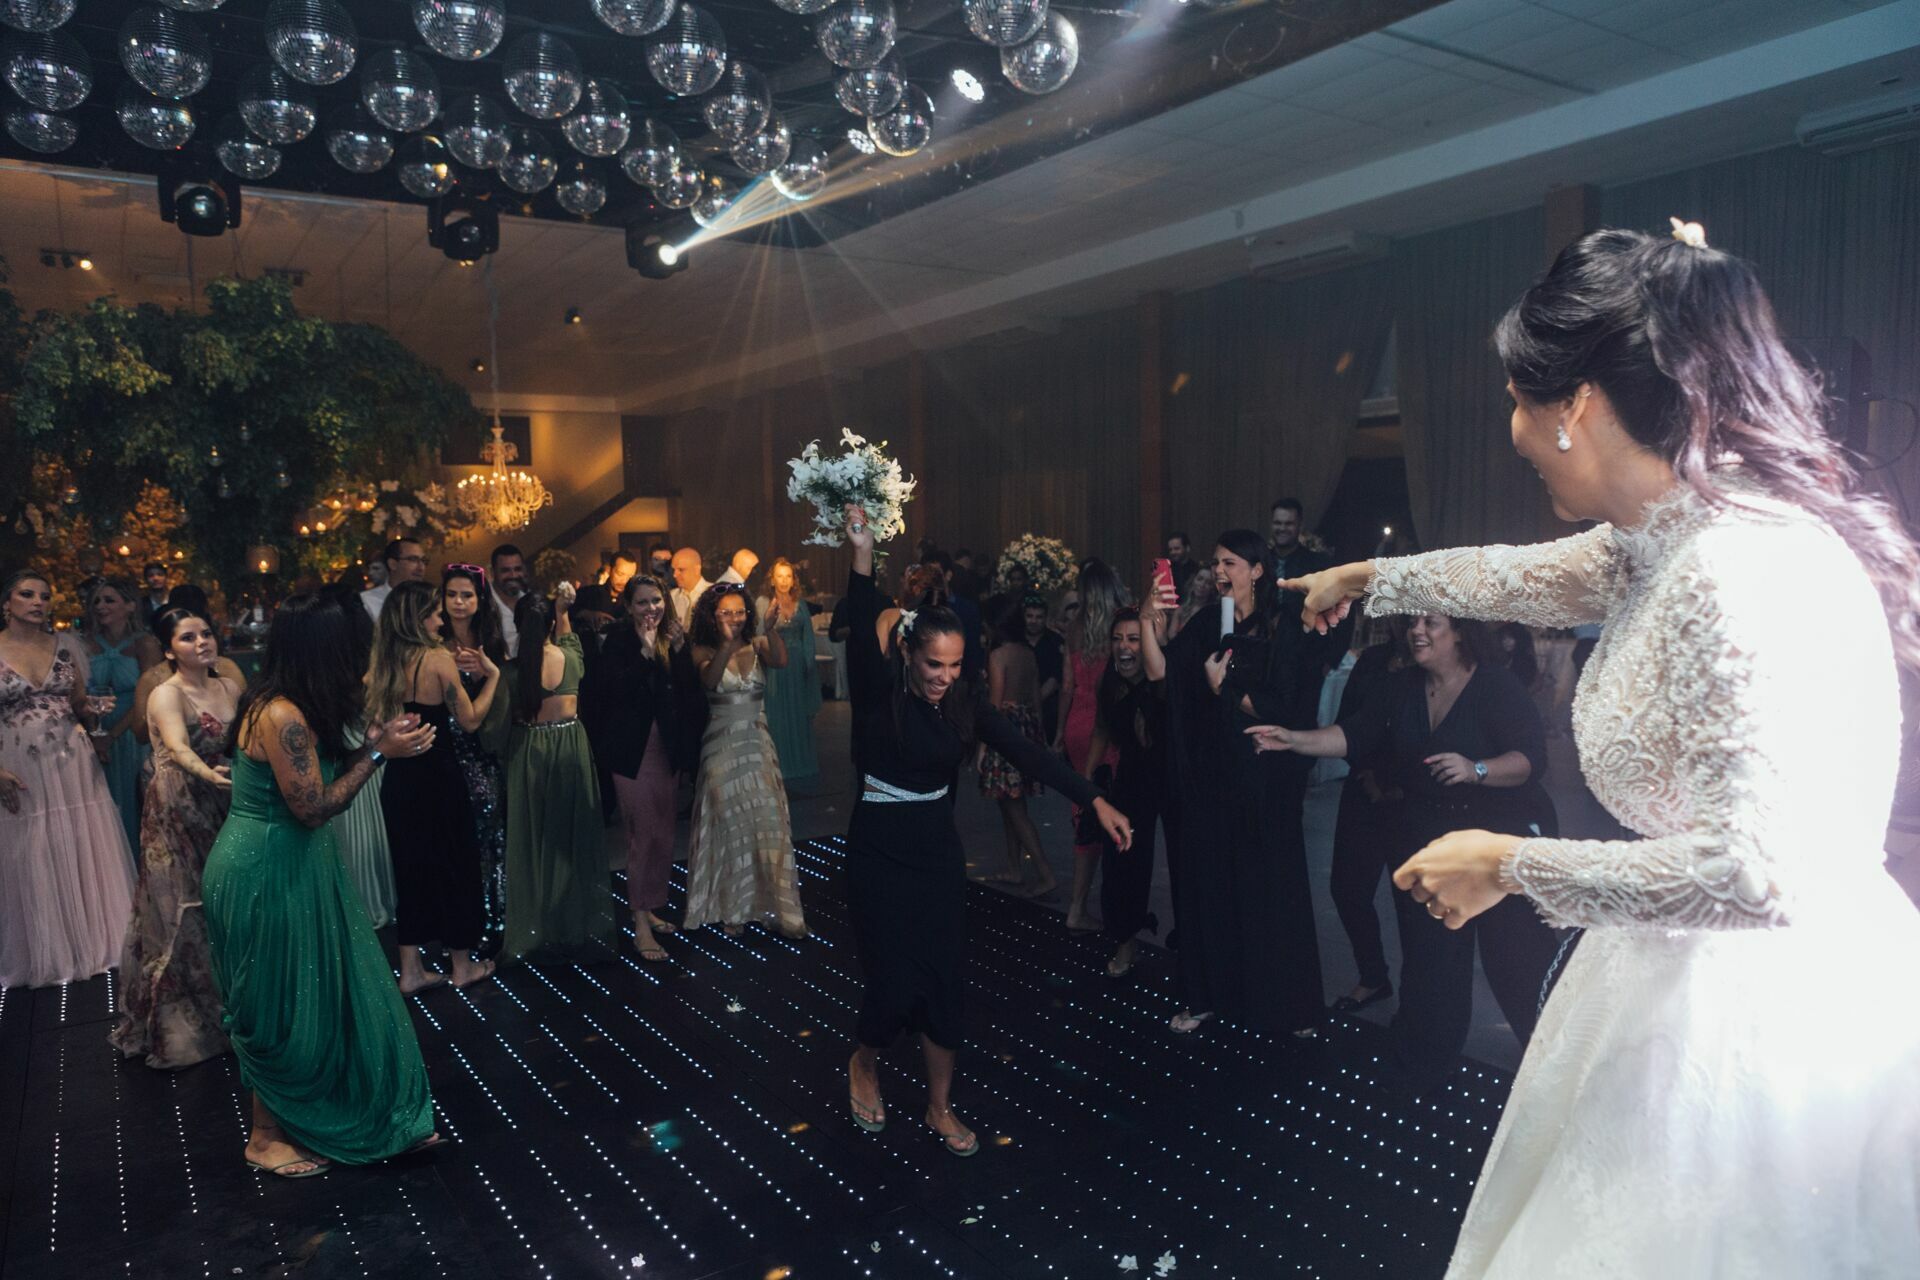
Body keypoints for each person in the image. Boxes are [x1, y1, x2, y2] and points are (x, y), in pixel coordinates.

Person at [1283, 224, 1920, 1276]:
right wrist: (1371, 579)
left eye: (1516, 401)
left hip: (1759, 1027)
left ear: (1574, 405)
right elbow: (1516, 576)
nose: (1514, 432)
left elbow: (1761, 874)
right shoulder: (1666, 538)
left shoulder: (1735, 569)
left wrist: (1510, 864)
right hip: (1674, 975)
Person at [839, 506, 1131, 1156]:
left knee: (943, 981)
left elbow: (1031, 755)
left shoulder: (965, 701)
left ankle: (940, 1107)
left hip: (936, 854)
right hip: (879, 852)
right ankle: (865, 1059)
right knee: (893, 979)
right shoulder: (878, 693)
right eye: (933, 665)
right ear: (908, 653)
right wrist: (860, 554)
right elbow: (860, 616)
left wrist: (1094, 799)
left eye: (954, 665)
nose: (943, 677)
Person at [1248, 613, 1564, 1091]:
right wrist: (1294, 740)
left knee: (1516, 960)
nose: (1417, 631)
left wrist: (1476, 768)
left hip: (1498, 842)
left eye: (1430, 622)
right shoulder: (1401, 687)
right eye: (1412, 622)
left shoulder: (1495, 685)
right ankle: (1423, 1067)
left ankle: (1554, 1074)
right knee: (1431, 961)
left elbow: (1529, 760)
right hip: (1432, 839)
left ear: (1459, 631)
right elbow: (1353, 734)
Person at [206, 592, 441, 1176]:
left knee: (324, 997)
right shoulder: (281, 715)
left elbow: (317, 780)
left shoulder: (294, 704)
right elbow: (312, 808)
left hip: (298, 863)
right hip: (266, 870)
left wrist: (374, 742)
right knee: (279, 1005)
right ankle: (264, 1139)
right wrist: (378, 756)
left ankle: (358, 1116)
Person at [1158, 530, 1325, 1039]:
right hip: (1215, 775)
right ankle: (1211, 996)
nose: (1219, 571)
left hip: (1265, 778)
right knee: (1213, 885)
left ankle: (1289, 1007)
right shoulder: (1210, 621)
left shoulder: (1283, 626)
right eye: (1215, 562)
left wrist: (1225, 689)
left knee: (1270, 888)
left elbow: (1286, 706)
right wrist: (1148, 617)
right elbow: (1164, 671)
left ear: (1256, 570)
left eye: (1229, 562)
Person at [111, 605, 239, 1070]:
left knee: (226, 906)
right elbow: (179, 747)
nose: (201, 642)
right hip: (179, 807)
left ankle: (232, 1010)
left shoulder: (229, 686)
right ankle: (183, 1025)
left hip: (225, 803)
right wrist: (210, 773)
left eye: (206, 633)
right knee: (183, 909)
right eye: (188, 637)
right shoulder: (167, 693)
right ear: (169, 650)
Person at [0, 569, 137, 989]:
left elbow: (77, 701)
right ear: (6, 603)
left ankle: (96, 942)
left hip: (73, 758)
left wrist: (94, 711)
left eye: (45, 596)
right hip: (19, 761)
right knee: (32, 847)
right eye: (27, 594)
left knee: (81, 839)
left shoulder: (65, 645)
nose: (38, 602)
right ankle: (48, 949)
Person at [366, 580, 501, 992]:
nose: (442, 620)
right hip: (439, 777)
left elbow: (372, 729)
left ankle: (410, 971)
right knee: (455, 866)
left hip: (399, 780)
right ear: (418, 618)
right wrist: (493, 677)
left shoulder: (381, 664)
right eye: (436, 613)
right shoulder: (437, 659)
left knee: (410, 872)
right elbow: (471, 720)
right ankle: (462, 966)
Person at [584, 575, 699, 961]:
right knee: (642, 835)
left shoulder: (672, 636)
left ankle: (650, 905)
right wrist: (646, 654)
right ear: (629, 606)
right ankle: (639, 924)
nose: (651, 609)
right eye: (643, 603)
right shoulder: (618, 640)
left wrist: (678, 651)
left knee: (664, 834)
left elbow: (687, 693)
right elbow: (610, 693)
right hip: (631, 752)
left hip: (667, 747)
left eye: (656, 601)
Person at [682, 583, 806, 937]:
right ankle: (732, 909)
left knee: (768, 822)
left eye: (740, 611)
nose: (735, 618)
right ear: (712, 616)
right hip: (721, 746)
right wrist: (725, 644)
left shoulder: (759, 644)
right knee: (729, 824)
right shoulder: (702, 649)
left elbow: (781, 661)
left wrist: (770, 629)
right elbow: (710, 680)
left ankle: (778, 908)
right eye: (726, 612)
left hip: (757, 743)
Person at [502, 584, 615, 959]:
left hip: (530, 751)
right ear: (551, 625)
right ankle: (572, 923)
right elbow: (569, 641)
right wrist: (563, 611)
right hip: (570, 747)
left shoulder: (512, 672)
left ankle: (540, 926)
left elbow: (496, 726)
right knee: (571, 838)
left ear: (518, 626)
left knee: (535, 839)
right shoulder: (570, 658)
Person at [1323, 616, 1408, 1012]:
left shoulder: (1436, 666)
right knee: (1347, 888)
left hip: (1412, 796)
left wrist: (1393, 782)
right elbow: (1347, 721)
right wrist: (1367, 772)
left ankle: (1418, 998)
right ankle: (1373, 975)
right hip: (1364, 788)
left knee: (1412, 902)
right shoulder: (1373, 660)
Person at [1081, 605, 1166, 978]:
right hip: (1133, 775)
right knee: (1124, 859)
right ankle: (1125, 940)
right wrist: (1086, 783)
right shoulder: (1109, 682)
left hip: (1172, 775)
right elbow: (1101, 729)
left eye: (1133, 638)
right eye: (1117, 639)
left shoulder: (1163, 679)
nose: (1124, 646)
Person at [442, 565, 513, 954]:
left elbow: (503, 703)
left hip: (483, 751)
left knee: (490, 838)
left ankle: (494, 922)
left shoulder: (491, 642)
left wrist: (489, 674)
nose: (458, 602)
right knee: (453, 842)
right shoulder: (435, 643)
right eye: (451, 594)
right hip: (443, 750)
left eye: (466, 595)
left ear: (479, 599)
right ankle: (460, 926)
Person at [1056, 559, 1128, 931]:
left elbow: (1067, 686)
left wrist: (1058, 733)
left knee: (1084, 810)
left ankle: (1078, 905)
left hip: (1077, 723)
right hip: (1106, 724)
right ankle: (1098, 908)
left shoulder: (1073, 627)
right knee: (1113, 811)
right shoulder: (1120, 627)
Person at [975, 602, 1055, 897]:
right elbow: (1035, 699)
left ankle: (1045, 874)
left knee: (1014, 808)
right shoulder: (1027, 654)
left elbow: (995, 705)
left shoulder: (998, 655)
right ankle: (1014, 867)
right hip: (1027, 728)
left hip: (1005, 732)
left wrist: (982, 747)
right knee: (1010, 803)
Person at [80, 577, 165, 850]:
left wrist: (112, 735)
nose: (100, 606)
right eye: (96, 601)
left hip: (132, 730)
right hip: (97, 731)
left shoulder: (145, 644)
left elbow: (149, 696)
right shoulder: (85, 644)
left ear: (130, 606)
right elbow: (80, 693)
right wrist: (95, 732)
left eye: (109, 600)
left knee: (136, 798)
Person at [757, 557, 822, 787]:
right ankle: (779, 764)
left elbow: (808, 637)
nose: (784, 581)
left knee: (798, 713)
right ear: (772, 580)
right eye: (779, 576)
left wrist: (808, 664)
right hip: (776, 666)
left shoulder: (800, 603)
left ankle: (799, 762)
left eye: (788, 576)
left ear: (793, 580)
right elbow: (759, 636)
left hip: (797, 667)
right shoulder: (764, 602)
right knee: (777, 713)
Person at [1021, 595, 1065, 744]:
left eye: (1039, 617)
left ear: (1046, 618)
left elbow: (1056, 678)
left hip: (1048, 711)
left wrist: (1034, 702)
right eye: (1029, 616)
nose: (1033, 621)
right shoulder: (1016, 641)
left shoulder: (1055, 642)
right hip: (1017, 709)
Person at [361, 539, 427, 622]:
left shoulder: (429, 601)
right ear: (393, 564)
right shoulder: (366, 602)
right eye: (413, 560)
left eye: (424, 561)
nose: (421, 568)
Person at [489, 544, 528, 659]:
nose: (513, 575)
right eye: (505, 570)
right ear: (492, 572)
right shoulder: (482, 603)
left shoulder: (530, 601)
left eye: (518, 569)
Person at [670, 548, 712, 630]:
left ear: (697, 569)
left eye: (681, 570)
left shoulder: (713, 593)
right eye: (674, 570)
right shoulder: (672, 596)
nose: (675, 575)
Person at [1164, 532, 1199, 604]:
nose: (1173, 552)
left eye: (1176, 548)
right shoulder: (1166, 570)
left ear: (1187, 548)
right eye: (1170, 550)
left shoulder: (1196, 569)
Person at [139, 561, 172, 628]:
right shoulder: (141, 604)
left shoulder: (174, 600)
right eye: (151, 576)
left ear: (166, 577)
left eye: (160, 574)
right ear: (146, 580)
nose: (156, 578)